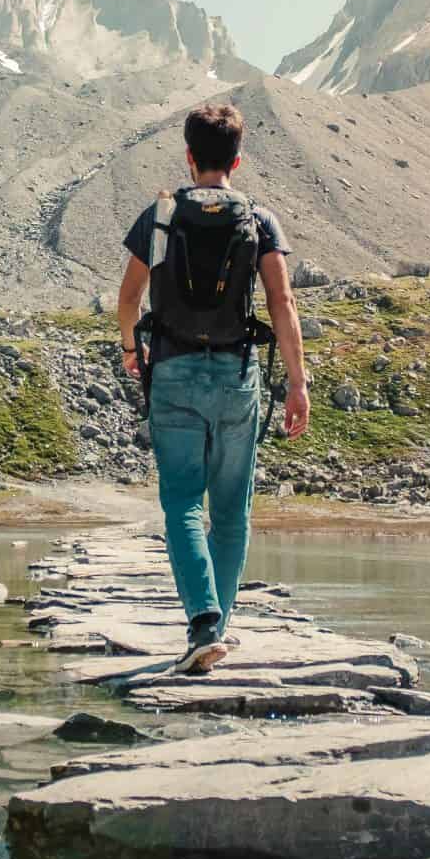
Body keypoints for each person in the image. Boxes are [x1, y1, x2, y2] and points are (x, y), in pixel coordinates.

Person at [116, 102, 310, 675]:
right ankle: (217, 627)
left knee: (180, 502)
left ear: (189, 155)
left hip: (173, 372)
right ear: (238, 160)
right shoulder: (260, 219)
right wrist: (298, 383)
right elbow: (283, 304)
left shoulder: (159, 215)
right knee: (231, 509)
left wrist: (132, 349)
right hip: (236, 375)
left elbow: (128, 299)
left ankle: (203, 624)